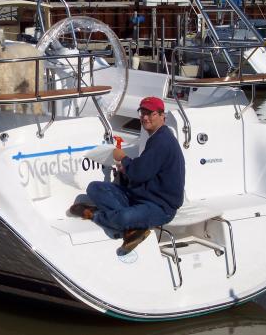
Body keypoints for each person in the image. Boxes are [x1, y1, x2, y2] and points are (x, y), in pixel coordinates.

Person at [69, 96, 185, 252]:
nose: (145, 117)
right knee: (94, 188)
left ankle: (95, 215)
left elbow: (139, 173)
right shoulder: (157, 138)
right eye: (142, 112)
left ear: (162, 115)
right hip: (140, 197)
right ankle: (134, 228)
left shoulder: (162, 141)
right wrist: (125, 171)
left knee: (124, 218)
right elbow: (144, 169)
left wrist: (122, 158)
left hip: (160, 207)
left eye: (150, 113)